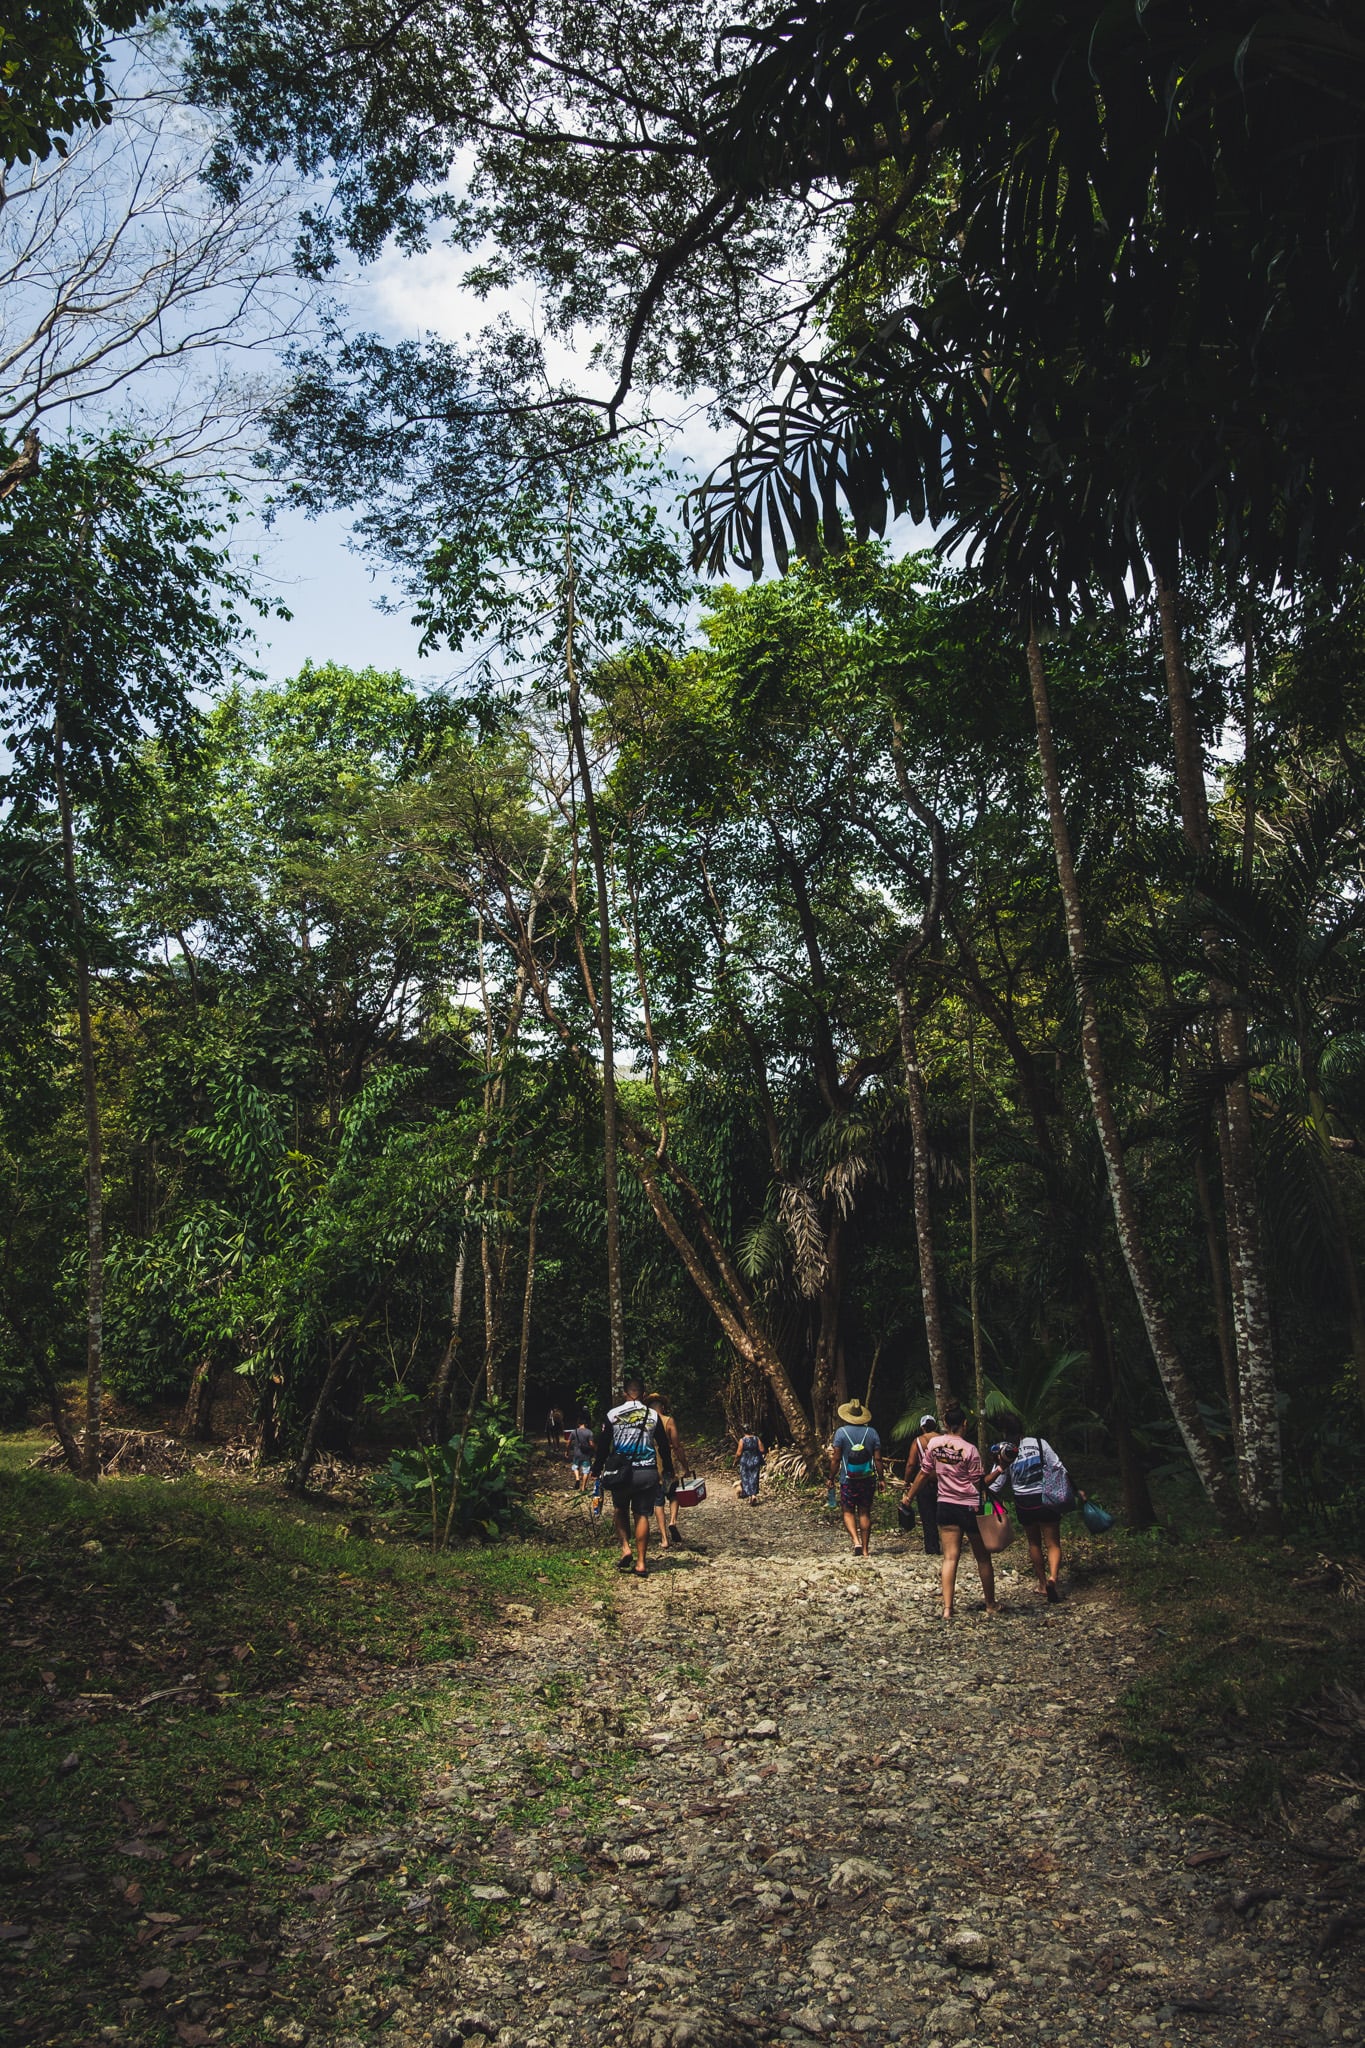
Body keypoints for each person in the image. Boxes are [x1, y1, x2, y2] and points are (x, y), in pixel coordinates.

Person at [903, 1401, 1000, 1619]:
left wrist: (908, 1497)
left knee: (949, 1557)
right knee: (982, 1558)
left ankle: (948, 1608)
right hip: (968, 1506)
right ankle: (990, 1604)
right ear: (965, 1424)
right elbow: (978, 1483)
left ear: (945, 1423)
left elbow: (923, 1473)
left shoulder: (935, 1444)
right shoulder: (970, 1450)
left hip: (945, 1505)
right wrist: (1000, 1469)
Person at [992, 1413, 1078, 1604]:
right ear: (1022, 1428)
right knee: (1053, 1543)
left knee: (1034, 1543)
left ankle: (1041, 1583)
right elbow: (1058, 1466)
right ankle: (1053, 1578)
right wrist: (1074, 1489)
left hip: (1024, 1503)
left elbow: (996, 1483)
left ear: (1004, 1431)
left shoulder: (1004, 1450)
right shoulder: (1040, 1443)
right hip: (1045, 1498)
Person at [592, 1376, 668, 1577]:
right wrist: (667, 1468)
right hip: (646, 1472)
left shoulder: (612, 1414)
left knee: (620, 1509)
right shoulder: (652, 1415)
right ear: (643, 1395)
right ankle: (641, 1562)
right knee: (642, 1514)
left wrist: (596, 1468)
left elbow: (603, 1445)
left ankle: (626, 1548)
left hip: (621, 1473)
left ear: (624, 1394)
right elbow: (664, 1444)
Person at [829, 1398, 882, 1556]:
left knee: (848, 1511)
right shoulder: (872, 1433)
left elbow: (836, 1458)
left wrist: (830, 1477)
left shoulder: (841, 1433)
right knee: (865, 1512)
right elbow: (878, 1459)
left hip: (848, 1480)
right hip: (868, 1479)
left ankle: (856, 1542)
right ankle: (865, 1550)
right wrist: (882, 1478)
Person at [649, 1390, 690, 1547]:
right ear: (662, 1406)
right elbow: (677, 1446)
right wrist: (685, 1466)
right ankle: (673, 1520)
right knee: (673, 1495)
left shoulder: (646, 1422)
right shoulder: (668, 1421)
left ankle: (664, 1538)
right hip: (667, 1462)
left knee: (658, 1500)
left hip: (651, 1462)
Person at [900, 1413, 942, 1557]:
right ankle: (950, 1543)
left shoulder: (918, 1441)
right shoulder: (944, 1440)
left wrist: (907, 1481)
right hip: (944, 1480)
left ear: (922, 1427)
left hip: (925, 1481)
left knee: (928, 1514)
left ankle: (932, 1547)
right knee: (944, 1514)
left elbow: (911, 1464)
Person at [735, 1427, 765, 1504]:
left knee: (746, 1478)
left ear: (743, 1431)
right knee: (754, 1477)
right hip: (755, 1461)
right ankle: (753, 1495)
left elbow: (738, 1453)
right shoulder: (756, 1439)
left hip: (745, 1462)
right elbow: (762, 1450)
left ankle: (749, 1496)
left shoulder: (742, 1440)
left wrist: (735, 1460)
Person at [566, 1414, 595, 1493]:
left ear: (579, 1424)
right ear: (585, 1424)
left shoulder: (574, 1432)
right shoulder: (589, 1432)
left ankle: (577, 1479)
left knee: (575, 1467)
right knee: (586, 1470)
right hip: (586, 1454)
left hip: (576, 1453)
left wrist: (567, 1451)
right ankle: (583, 1488)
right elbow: (591, 1444)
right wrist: (594, 1449)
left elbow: (568, 1442)